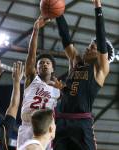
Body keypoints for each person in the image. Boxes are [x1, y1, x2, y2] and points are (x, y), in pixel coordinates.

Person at [53, 0, 114, 150]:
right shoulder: (75, 61)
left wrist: (98, 8)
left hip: (81, 123)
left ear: (100, 53)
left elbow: (101, 36)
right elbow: (65, 37)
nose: (87, 49)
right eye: (88, 46)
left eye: (92, 48)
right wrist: (58, 13)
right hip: (61, 120)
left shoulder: (100, 70)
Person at [17, 16, 60, 149]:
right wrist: (35, 30)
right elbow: (31, 55)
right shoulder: (32, 79)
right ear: (36, 68)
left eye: (48, 63)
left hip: (46, 132)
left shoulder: (57, 89)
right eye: (41, 63)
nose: (44, 65)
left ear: (52, 68)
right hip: (27, 127)